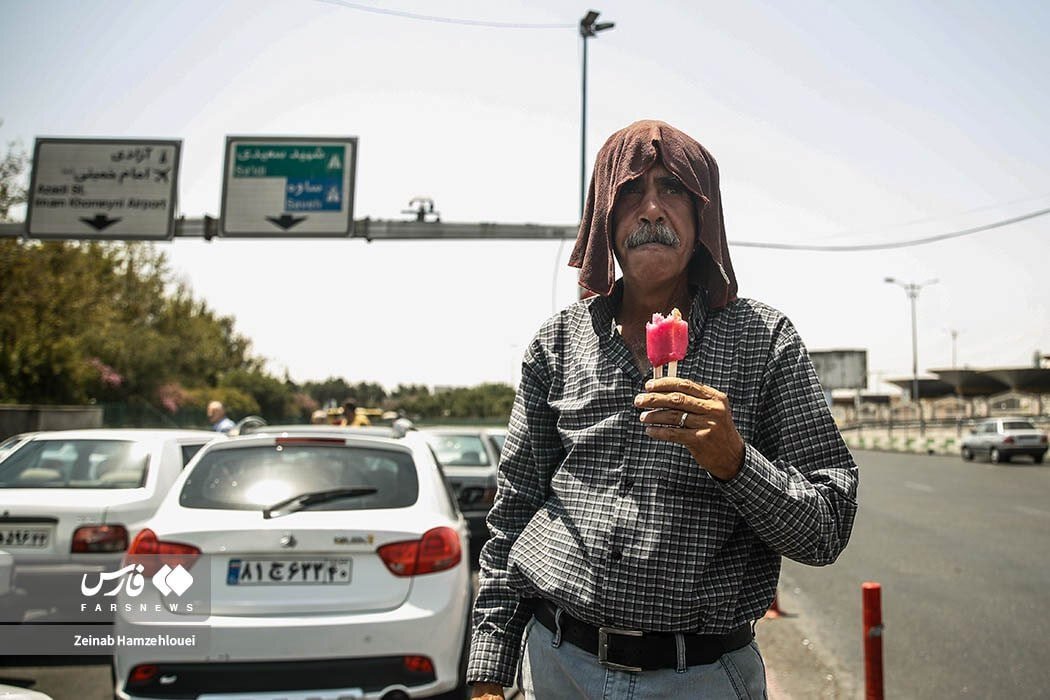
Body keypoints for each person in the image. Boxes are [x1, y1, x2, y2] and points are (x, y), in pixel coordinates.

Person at [467, 120, 858, 699]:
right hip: (559, 665)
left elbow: (826, 530)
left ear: (704, 218)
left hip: (702, 677)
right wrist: (488, 673)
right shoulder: (557, 344)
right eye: (629, 190)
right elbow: (513, 511)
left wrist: (734, 460)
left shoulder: (763, 341)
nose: (651, 208)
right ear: (604, 216)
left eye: (672, 188)